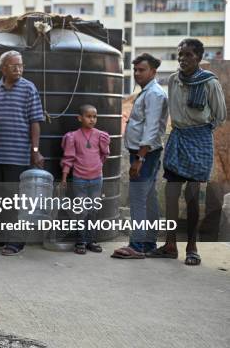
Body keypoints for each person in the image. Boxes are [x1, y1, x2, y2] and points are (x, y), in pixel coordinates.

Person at [147, 38, 226, 265]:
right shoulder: (173, 80)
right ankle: (170, 245)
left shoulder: (210, 83)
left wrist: (199, 132)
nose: (183, 59)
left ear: (199, 58)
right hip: (178, 138)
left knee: (192, 197)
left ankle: (192, 247)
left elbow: (219, 115)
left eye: (188, 55)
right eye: (180, 55)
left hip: (199, 141)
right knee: (170, 195)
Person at [0, 50, 45, 256]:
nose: (19, 69)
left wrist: (35, 151)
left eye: (21, 65)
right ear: (3, 68)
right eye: (14, 65)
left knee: (13, 200)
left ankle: (15, 242)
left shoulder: (28, 88)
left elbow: (35, 122)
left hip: (16, 156)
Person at [112, 53, 168, 259]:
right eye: (135, 70)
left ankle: (136, 246)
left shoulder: (154, 94)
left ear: (153, 72)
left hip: (146, 154)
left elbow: (152, 129)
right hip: (146, 153)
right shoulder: (148, 92)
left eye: (141, 70)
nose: (137, 73)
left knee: (137, 200)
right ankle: (148, 244)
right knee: (149, 199)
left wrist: (140, 159)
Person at [61, 105, 110, 254]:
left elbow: (104, 154)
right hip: (80, 179)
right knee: (81, 211)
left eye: (94, 116)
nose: (92, 119)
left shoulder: (100, 135)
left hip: (96, 179)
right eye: (88, 116)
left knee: (93, 211)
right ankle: (80, 241)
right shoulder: (73, 136)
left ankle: (91, 240)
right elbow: (68, 158)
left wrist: (97, 167)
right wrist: (64, 177)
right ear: (80, 118)